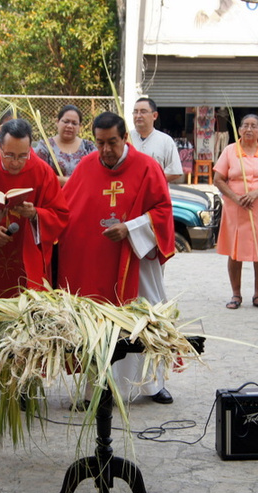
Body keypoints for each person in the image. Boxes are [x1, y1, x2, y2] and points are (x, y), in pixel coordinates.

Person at [58, 111, 176, 403]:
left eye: (112, 142)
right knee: (95, 323)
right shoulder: (86, 166)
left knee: (144, 316)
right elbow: (67, 212)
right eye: (99, 143)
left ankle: (152, 384)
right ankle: (94, 387)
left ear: (125, 138)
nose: (106, 151)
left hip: (137, 262)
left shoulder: (147, 167)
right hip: (95, 266)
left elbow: (163, 212)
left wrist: (131, 228)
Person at [0, 118, 69, 408]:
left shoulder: (43, 172)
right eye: (9, 155)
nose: (16, 162)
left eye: (23, 155)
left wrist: (35, 215)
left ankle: (23, 383)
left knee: (26, 321)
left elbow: (60, 215)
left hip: (26, 264)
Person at [213, 113, 258, 310]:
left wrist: (256, 193)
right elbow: (218, 179)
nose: (249, 129)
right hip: (235, 208)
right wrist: (235, 198)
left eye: (254, 126)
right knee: (234, 251)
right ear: (239, 130)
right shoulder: (230, 151)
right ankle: (236, 294)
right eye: (245, 125)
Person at [34, 105, 96, 186]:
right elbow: (38, 174)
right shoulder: (45, 146)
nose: (69, 126)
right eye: (66, 121)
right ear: (57, 122)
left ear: (79, 126)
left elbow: (97, 173)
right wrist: (69, 181)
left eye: (74, 123)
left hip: (82, 195)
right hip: (54, 195)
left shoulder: (88, 147)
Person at [130, 98, 183, 183]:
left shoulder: (165, 141)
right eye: (135, 112)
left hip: (155, 193)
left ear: (154, 116)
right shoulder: (124, 139)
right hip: (131, 193)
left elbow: (175, 171)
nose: (138, 115)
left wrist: (151, 182)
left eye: (143, 112)